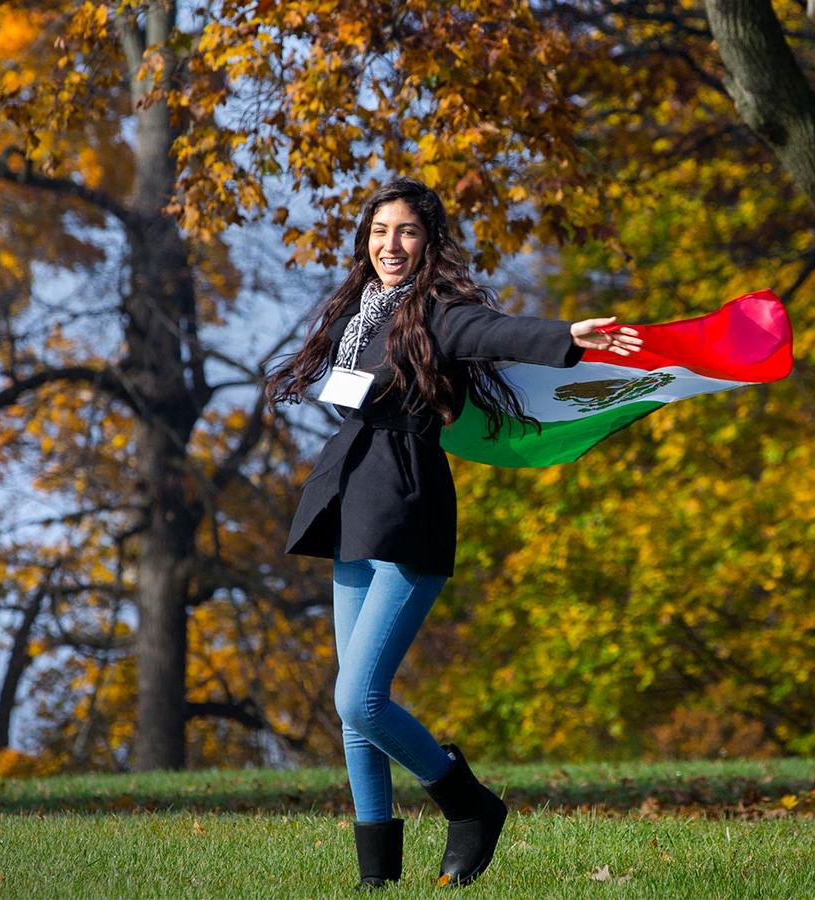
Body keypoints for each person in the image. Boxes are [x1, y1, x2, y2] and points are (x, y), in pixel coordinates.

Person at [265, 177, 642, 889]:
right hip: (350, 508)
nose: (390, 245)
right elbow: (345, 391)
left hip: (408, 512)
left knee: (360, 699)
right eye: (379, 232)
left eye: (406, 231)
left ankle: (469, 806)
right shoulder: (355, 312)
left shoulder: (433, 312)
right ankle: (376, 879)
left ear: (428, 241)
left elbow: (491, 332)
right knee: (354, 713)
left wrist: (564, 336)